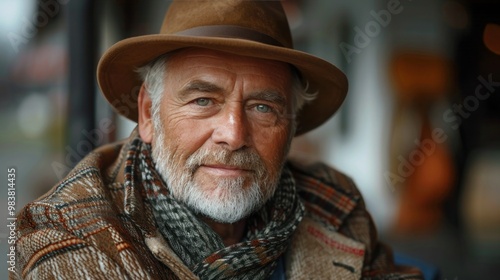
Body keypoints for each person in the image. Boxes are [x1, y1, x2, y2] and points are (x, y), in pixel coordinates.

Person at [13, 1, 423, 279]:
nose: (233, 134)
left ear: (291, 126)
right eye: (203, 100)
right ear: (148, 114)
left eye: (263, 107)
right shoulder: (68, 234)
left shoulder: (335, 205)